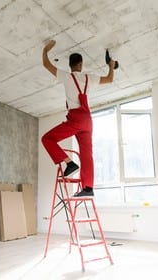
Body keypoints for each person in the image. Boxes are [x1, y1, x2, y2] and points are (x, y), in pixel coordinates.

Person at [41, 39, 115, 197]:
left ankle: (70, 163)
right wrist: (111, 66)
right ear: (81, 64)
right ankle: (88, 188)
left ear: (70, 65)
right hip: (88, 120)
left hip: (76, 118)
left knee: (47, 139)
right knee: (87, 154)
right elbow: (110, 79)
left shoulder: (67, 77)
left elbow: (46, 64)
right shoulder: (89, 78)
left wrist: (46, 50)